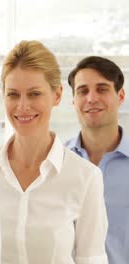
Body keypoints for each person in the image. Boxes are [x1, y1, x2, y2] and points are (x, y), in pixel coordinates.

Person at [0, 40, 108, 263]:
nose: (23, 106)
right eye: (13, 94)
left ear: (57, 95)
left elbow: (92, 259)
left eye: (34, 94)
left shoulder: (85, 178)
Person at [66, 56, 128, 264]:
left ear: (120, 96)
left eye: (102, 89)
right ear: (73, 100)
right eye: (82, 91)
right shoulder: (55, 162)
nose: (91, 98)